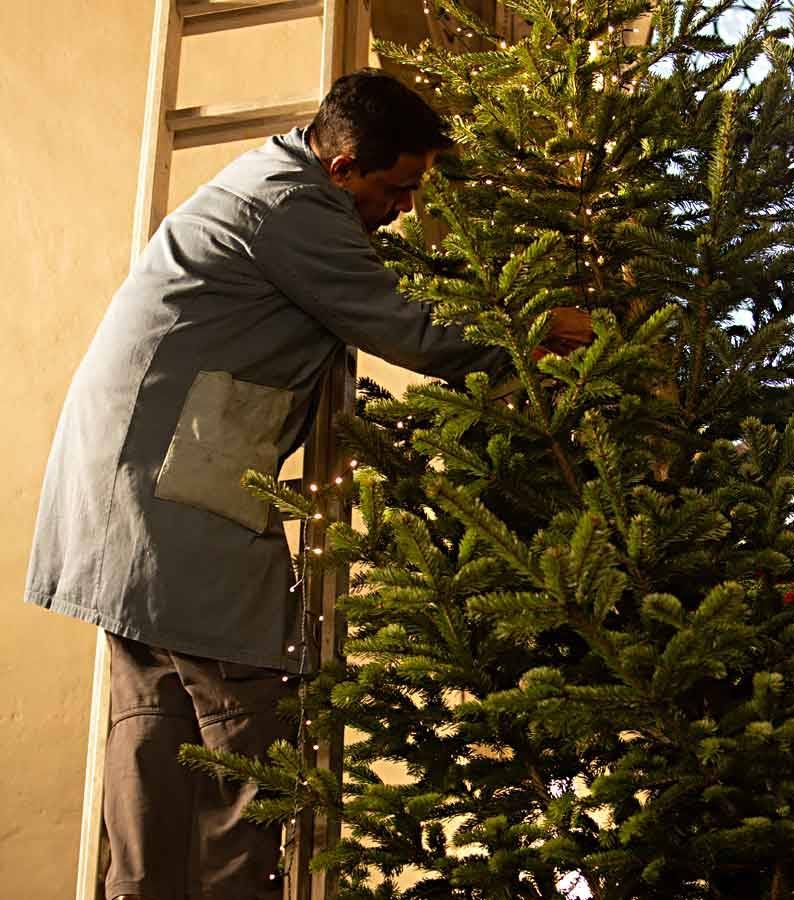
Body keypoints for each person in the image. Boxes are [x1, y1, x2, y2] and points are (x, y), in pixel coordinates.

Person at [24, 69, 592, 900]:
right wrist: (530, 337)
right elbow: (404, 325)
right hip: (170, 493)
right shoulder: (292, 209)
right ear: (343, 166)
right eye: (395, 187)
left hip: (131, 486)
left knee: (153, 738)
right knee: (240, 740)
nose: (401, 208)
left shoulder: (278, 181)